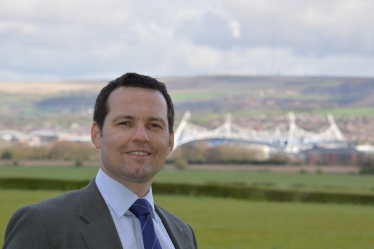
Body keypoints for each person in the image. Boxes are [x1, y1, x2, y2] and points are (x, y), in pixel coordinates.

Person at [3, 73, 198, 249]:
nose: (141, 136)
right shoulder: (42, 225)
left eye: (154, 125)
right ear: (96, 135)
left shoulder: (183, 235)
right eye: (125, 123)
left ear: (170, 141)